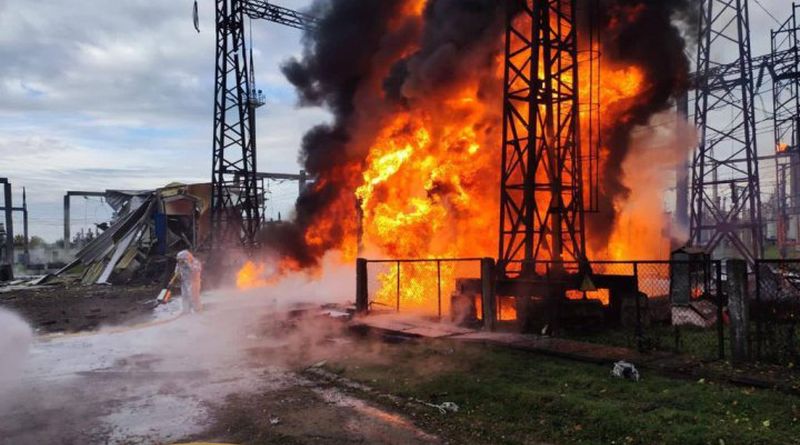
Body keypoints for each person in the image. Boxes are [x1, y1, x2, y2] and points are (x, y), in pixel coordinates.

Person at [170, 250, 203, 314]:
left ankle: (197, 309)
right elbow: (177, 271)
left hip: (194, 281)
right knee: (185, 296)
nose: (180, 261)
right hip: (184, 282)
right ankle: (186, 310)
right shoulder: (179, 264)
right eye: (179, 259)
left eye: (181, 259)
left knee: (193, 295)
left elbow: (196, 270)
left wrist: (188, 264)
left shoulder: (195, 262)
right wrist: (178, 275)